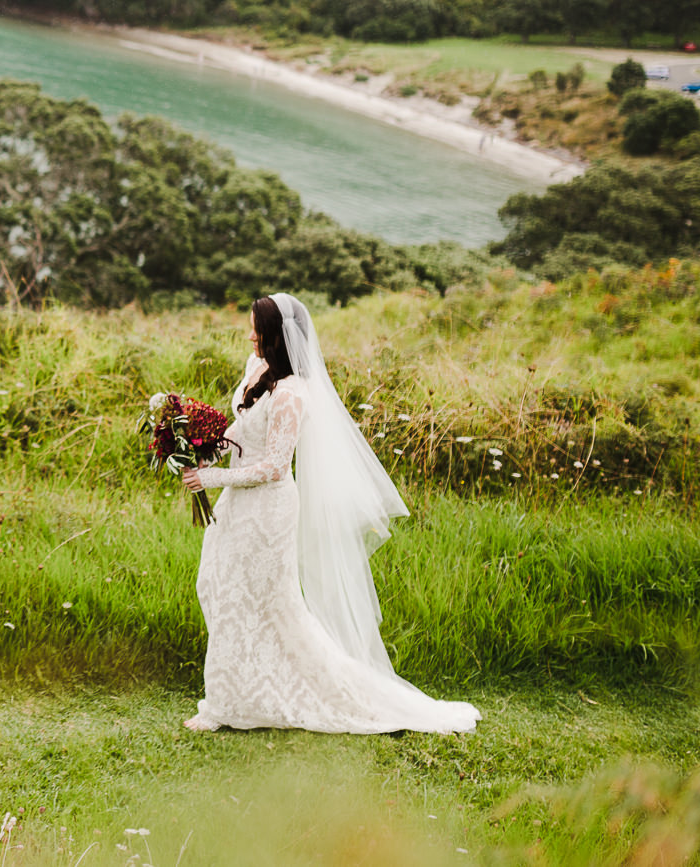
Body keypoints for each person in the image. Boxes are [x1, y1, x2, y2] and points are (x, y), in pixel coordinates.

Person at [179, 293, 478, 734]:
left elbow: (276, 467)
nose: (249, 336)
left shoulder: (294, 395)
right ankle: (235, 694)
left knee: (267, 602)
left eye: (256, 330)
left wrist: (214, 479)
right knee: (217, 586)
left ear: (277, 337)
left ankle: (232, 705)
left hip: (267, 511)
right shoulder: (256, 370)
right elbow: (242, 433)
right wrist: (204, 450)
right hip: (236, 504)